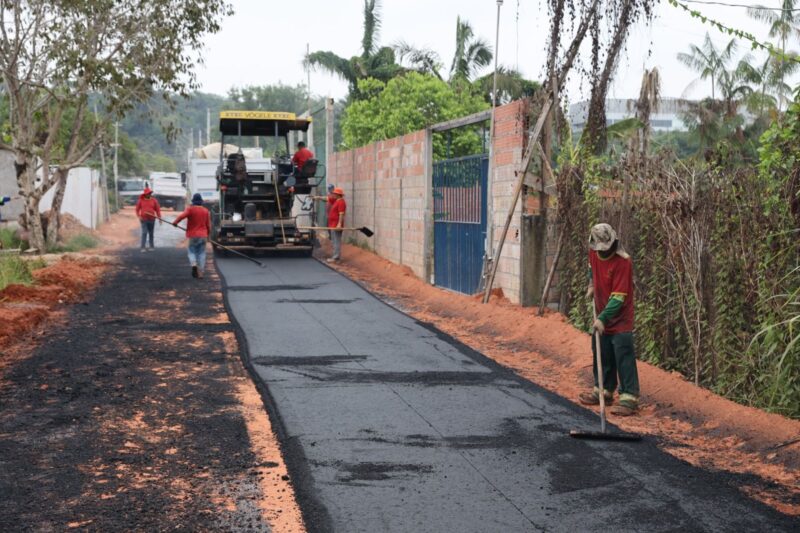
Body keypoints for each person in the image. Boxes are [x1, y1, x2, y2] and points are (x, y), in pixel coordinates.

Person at [579, 222, 641, 416]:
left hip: (620, 318)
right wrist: (591, 284)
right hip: (601, 311)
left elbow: (619, 297)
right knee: (601, 351)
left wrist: (603, 319)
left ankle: (629, 398)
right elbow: (592, 267)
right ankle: (603, 391)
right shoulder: (593, 252)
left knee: (623, 356)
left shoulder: (623, 262)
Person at [173, 193, 212, 279]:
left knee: (191, 252)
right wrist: (208, 236)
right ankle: (201, 272)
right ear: (201, 202)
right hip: (203, 235)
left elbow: (182, 216)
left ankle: (194, 264)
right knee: (201, 253)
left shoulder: (190, 209)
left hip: (192, 235)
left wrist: (175, 222)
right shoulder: (206, 211)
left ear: (193, 202)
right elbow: (208, 225)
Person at [135, 187, 161, 252]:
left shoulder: (154, 200)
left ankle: (151, 246)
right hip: (143, 219)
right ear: (145, 194)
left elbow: (158, 210)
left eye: (150, 193)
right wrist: (139, 216)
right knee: (144, 232)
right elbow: (137, 209)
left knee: (151, 233)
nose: (149, 194)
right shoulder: (141, 200)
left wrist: (159, 218)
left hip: (152, 219)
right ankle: (142, 247)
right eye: (148, 193)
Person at [327, 187, 346, 263]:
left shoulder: (341, 202)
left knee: (336, 241)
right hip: (332, 224)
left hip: (336, 225)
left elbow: (341, 214)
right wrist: (317, 198)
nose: (333, 194)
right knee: (334, 241)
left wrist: (339, 224)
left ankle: (336, 257)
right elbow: (327, 199)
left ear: (338, 195)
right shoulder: (336, 201)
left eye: (334, 193)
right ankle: (335, 256)